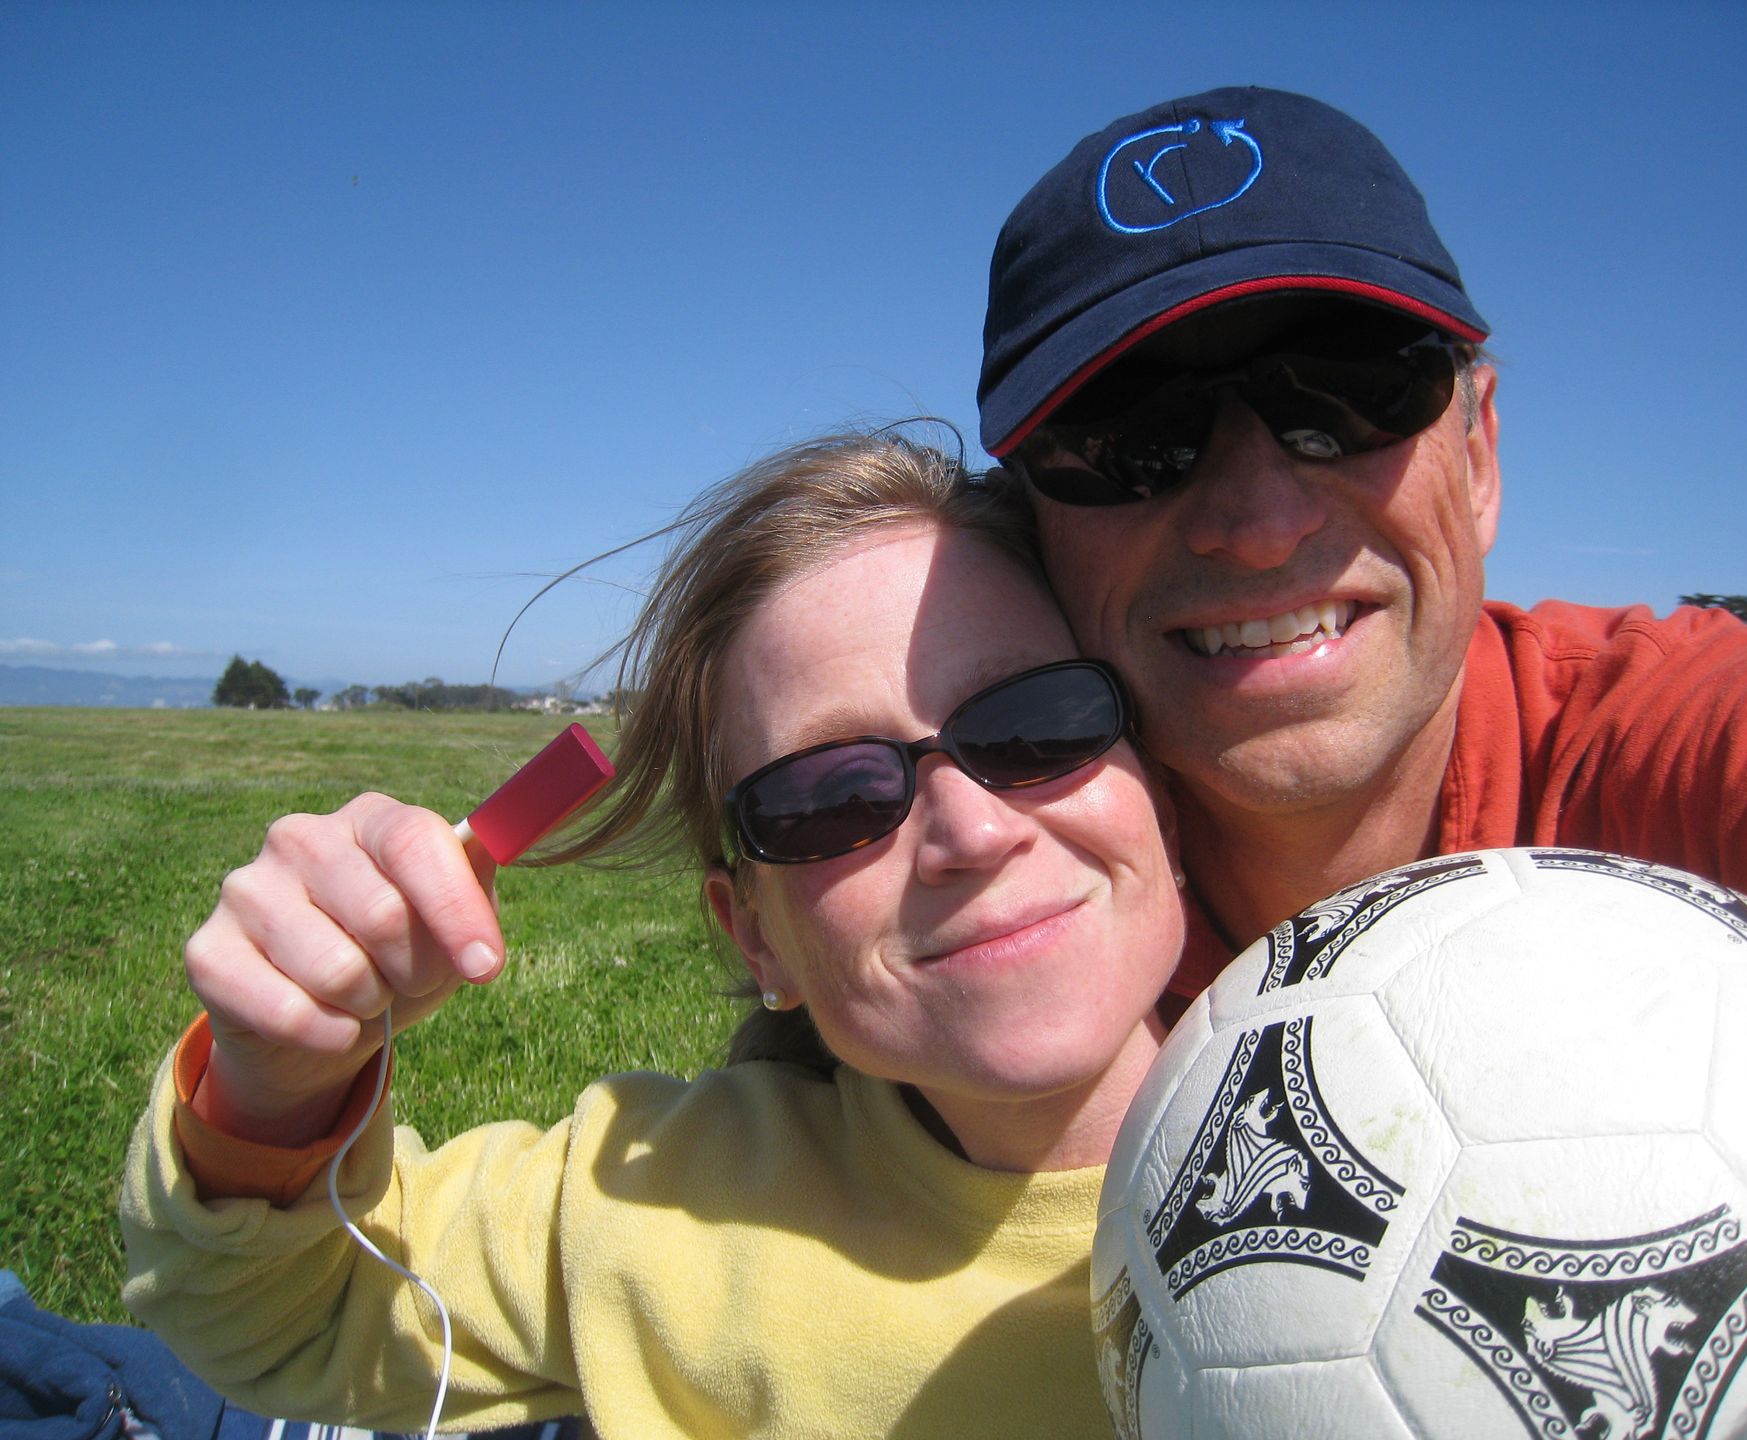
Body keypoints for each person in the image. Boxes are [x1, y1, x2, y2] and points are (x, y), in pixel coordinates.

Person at [120, 432, 1187, 1438]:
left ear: (1164, 790)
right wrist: (276, 1083)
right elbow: (281, 1318)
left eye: (1034, 724)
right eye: (829, 795)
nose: (972, 829)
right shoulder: (657, 1201)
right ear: (754, 935)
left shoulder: (1353, 1131)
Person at [973, 85, 1747, 1011]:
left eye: (1349, 393)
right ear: (1033, 529)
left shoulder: (1704, 762)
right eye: (1128, 439)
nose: (1261, 528)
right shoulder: (966, 882)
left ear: (1478, 460)